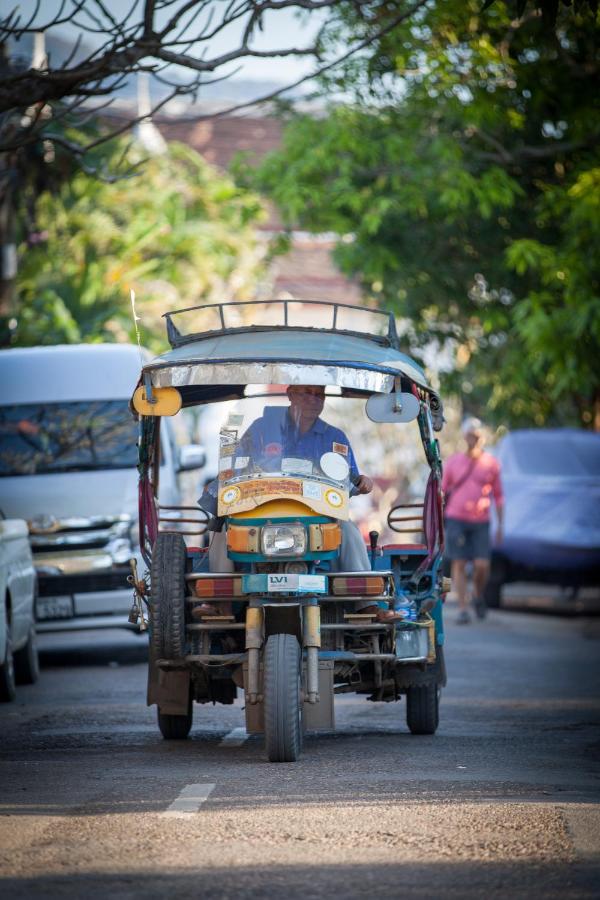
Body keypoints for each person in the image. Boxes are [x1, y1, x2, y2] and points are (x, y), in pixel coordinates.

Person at [200, 385, 399, 621]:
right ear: (291, 394)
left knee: (349, 530)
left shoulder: (335, 437)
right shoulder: (261, 429)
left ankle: (367, 605)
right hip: (259, 513)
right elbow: (237, 466)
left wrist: (362, 481)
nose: (314, 400)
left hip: (315, 516)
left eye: (319, 395)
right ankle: (220, 606)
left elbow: (350, 477)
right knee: (223, 529)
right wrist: (221, 482)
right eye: (307, 393)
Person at [442, 416, 504, 625]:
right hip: (456, 518)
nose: (473, 439)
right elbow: (442, 490)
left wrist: (501, 525)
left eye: (477, 436)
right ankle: (462, 609)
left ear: (482, 438)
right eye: (469, 435)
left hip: (481, 520)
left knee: (482, 565)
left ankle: (477, 594)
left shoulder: (491, 464)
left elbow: (499, 496)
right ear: (464, 437)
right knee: (458, 563)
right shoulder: (454, 461)